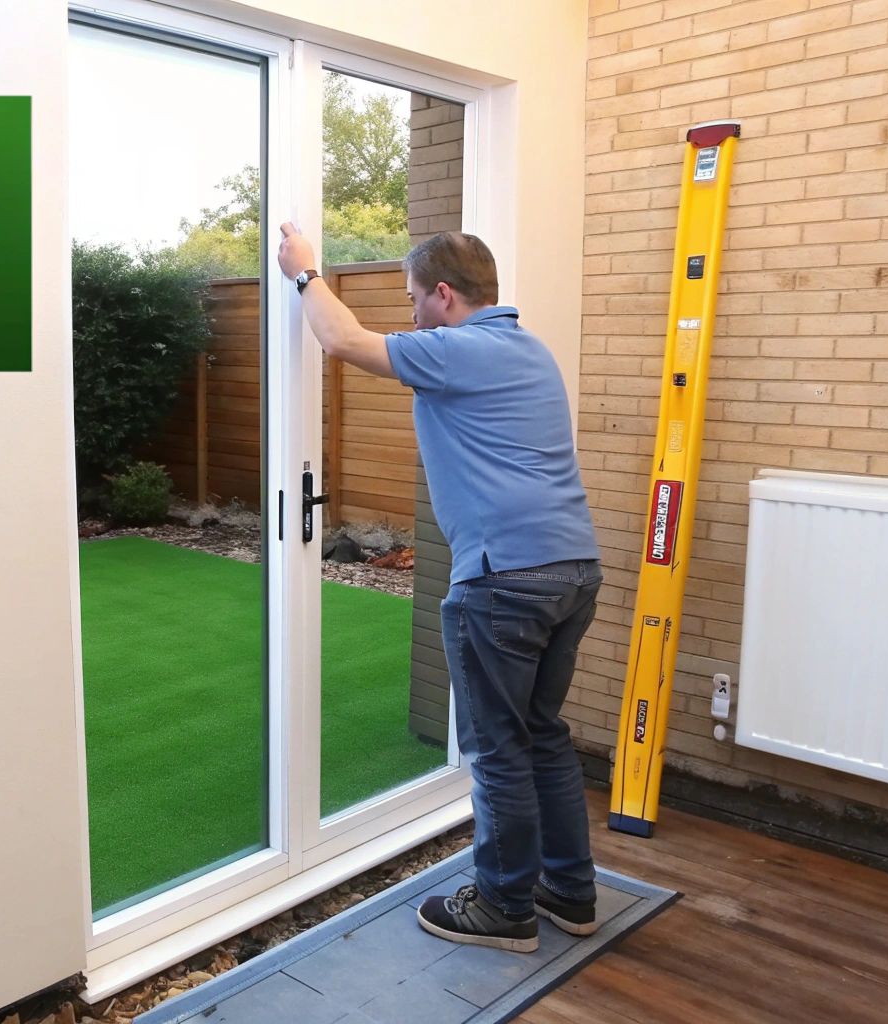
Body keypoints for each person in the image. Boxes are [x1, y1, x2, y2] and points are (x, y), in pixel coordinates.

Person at [276, 224, 604, 952]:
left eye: (414, 298)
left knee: (499, 749)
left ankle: (503, 907)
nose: (412, 313)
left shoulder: (458, 350)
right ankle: (569, 891)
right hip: (574, 570)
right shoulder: (530, 350)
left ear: (445, 295)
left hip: (505, 580)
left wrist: (304, 274)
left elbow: (342, 340)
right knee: (542, 735)